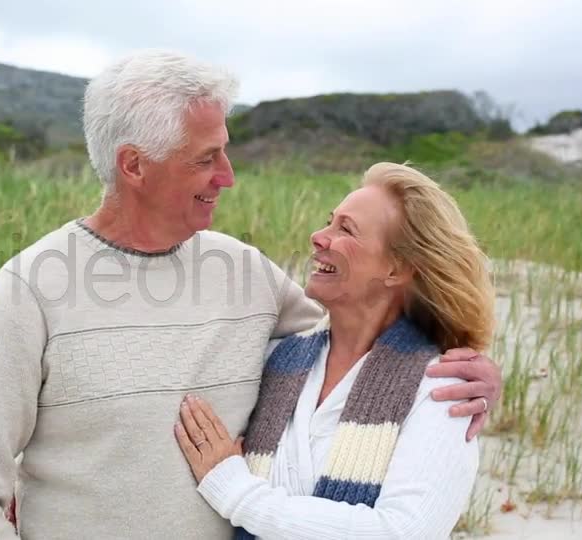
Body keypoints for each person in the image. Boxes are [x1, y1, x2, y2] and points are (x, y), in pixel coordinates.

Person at [0, 51, 501, 539]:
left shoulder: (244, 272)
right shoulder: (33, 285)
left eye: (223, 151)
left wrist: (469, 363)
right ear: (134, 165)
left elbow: (363, 342)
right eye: (205, 158)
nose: (227, 175)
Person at [174, 162, 493, 539]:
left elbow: (403, 531)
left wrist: (235, 492)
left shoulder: (443, 392)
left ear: (398, 268)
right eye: (330, 221)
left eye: (346, 229)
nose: (318, 236)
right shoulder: (278, 360)